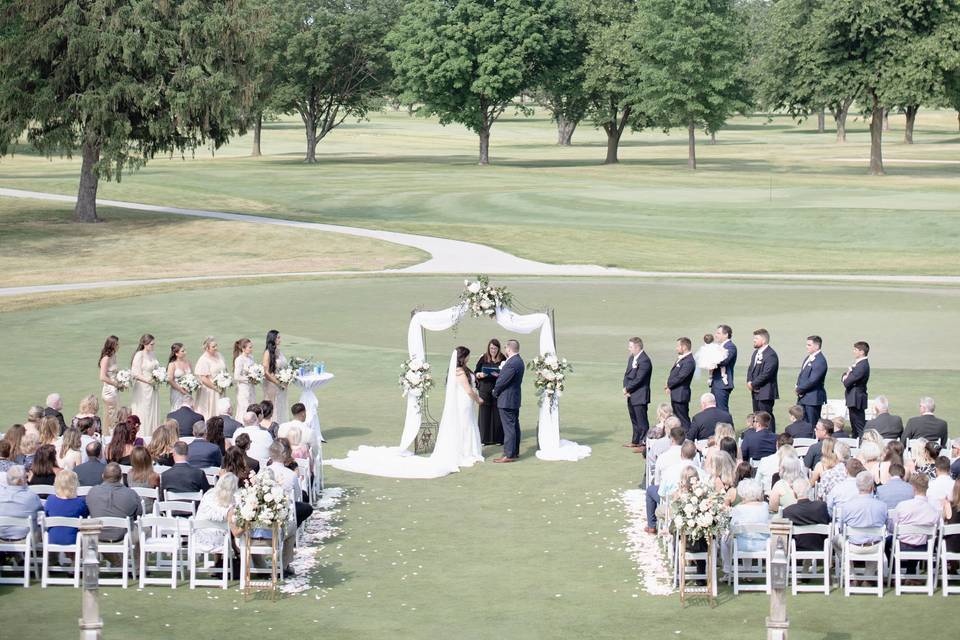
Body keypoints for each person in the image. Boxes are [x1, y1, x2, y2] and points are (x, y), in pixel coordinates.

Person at [429, 346, 484, 471]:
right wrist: (478, 399)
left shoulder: (462, 369)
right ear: (463, 357)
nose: (469, 358)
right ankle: (465, 452)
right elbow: (468, 390)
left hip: (467, 402)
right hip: (464, 401)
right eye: (468, 355)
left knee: (468, 423)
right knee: (465, 425)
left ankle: (470, 450)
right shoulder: (459, 371)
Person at [646, 441, 705, 533]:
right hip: (695, 508)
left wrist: (671, 500)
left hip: (674, 506)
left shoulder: (670, 471)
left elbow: (661, 493)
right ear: (695, 454)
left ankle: (651, 526)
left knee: (650, 490)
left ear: (681, 454)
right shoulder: (702, 473)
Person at [889, 474, 940, 572]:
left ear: (913, 488)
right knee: (918, 540)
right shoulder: (933, 511)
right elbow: (935, 531)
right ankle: (910, 573)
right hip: (923, 547)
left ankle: (895, 571)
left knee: (888, 542)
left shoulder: (902, 506)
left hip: (902, 545)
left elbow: (892, 528)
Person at [86, 462, 142, 542]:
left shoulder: (92, 492)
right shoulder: (131, 494)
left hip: (98, 535)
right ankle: (137, 555)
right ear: (121, 477)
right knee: (143, 530)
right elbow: (139, 514)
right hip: (123, 536)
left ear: (102, 476)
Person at [492, 339, 524, 463]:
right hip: (514, 398)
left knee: (509, 428)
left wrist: (495, 391)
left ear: (509, 349)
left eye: (506, 348)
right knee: (514, 426)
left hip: (507, 400)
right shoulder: (519, 361)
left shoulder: (512, 363)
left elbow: (502, 381)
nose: (505, 350)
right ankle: (514, 451)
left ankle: (509, 454)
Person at [839, 472, 887, 548]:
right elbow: (886, 526)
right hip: (876, 547)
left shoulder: (847, 506)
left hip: (853, 547)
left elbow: (841, 528)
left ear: (857, 486)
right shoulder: (882, 506)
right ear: (872, 487)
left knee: (835, 540)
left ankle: (846, 559)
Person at [194, 472, 239, 552]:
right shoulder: (233, 502)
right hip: (220, 541)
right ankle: (238, 554)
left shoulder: (208, 495)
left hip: (199, 537)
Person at [782, 478, 830, 551]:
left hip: (797, 548)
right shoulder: (821, 506)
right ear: (809, 491)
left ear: (794, 494)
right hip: (820, 546)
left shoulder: (788, 512)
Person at [746, 328, 779, 432]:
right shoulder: (756, 353)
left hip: (766, 392)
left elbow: (767, 373)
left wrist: (754, 384)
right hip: (755, 392)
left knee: (766, 417)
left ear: (763, 340)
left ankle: (770, 437)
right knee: (757, 416)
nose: (754, 340)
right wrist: (749, 381)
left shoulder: (771, 355)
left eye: (756, 338)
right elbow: (751, 369)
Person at [622, 336, 652, 452]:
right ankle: (635, 441)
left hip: (640, 395)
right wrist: (626, 388)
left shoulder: (645, 361)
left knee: (642, 421)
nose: (629, 349)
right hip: (631, 395)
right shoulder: (631, 358)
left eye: (630, 347)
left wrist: (628, 388)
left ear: (637, 347)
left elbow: (639, 378)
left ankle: (644, 443)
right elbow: (627, 374)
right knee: (634, 420)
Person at [474, 338, 506, 445]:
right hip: (484, 389)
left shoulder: (502, 358)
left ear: (498, 349)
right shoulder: (483, 358)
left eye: (495, 348)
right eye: (491, 348)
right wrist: (480, 375)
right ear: (488, 348)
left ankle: (498, 438)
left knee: (497, 413)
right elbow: (476, 372)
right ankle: (484, 439)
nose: (493, 350)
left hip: (497, 389)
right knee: (484, 414)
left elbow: (506, 374)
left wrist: (499, 375)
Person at [44, 469, 89, 545]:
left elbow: (47, 515)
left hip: (52, 538)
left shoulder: (50, 500)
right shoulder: (80, 502)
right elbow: (85, 517)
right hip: (73, 540)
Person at [129, 333, 161, 437]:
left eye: (153, 344)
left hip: (153, 388)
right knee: (144, 412)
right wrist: (148, 381)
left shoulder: (152, 354)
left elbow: (156, 369)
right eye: (151, 344)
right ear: (145, 344)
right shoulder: (139, 355)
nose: (153, 346)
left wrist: (159, 377)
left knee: (152, 411)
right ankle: (143, 435)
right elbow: (135, 373)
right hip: (143, 388)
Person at [0, 466, 43, 541]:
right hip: (25, 538)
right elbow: (41, 511)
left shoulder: (1, 495)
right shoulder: (31, 496)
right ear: (23, 480)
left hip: (2, 537)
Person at [729, 479, 771, 552]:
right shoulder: (765, 506)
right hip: (764, 544)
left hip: (742, 545)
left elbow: (732, 526)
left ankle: (726, 563)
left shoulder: (738, 508)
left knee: (724, 539)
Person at [795, 335, 828, 427]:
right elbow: (802, 374)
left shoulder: (820, 361)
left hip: (813, 399)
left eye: (809, 345)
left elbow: (813, 380)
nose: (807, 347)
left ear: (817, 346)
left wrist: (800, 389)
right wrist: (797, 386)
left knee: (812, 424)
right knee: (802, 423)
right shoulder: (808, 358)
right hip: (803, 397)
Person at [665, 337, 695, 430]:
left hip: (681, 395)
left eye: (678, 346)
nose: (676, 348)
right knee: (678, 418)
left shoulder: (689, 361)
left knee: (683, 419)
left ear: (684, 347)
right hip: (676, 394)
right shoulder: (682, 359)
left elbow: (681, 377)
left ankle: (689, 438)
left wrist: (669, 384)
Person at [841, 341, 870, 437]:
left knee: (858, 426)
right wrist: (847, 375)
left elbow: (847, 382)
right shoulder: (860, 365)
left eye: (855, 350)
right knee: (854, 426)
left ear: (862, 352)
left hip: (856, 399)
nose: (853, 351)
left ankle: (863, 445)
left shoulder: (862, 365)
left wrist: (847, 375)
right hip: (854, 399)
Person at [195, 336, 227, 420]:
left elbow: (224, 370)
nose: (216, 348)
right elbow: (203, 378)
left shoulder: (219, 355)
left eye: (216, 345)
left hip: (221, 388)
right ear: (207, 348)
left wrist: (226, 381)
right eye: (213, 347)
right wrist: (215, 388)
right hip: (209, 391)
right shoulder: (203, 360)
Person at [262, 329, 289, 423]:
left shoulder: (279, 351)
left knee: (281, 406)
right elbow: (266, 373)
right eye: (278, 337)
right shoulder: (267, 353)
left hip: (282, 384)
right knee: (274, 406)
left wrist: (287, 377)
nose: (280, 339)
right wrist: (278, 383)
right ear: (272, 338)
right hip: (272, 385)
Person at [709, 325, 737, 414]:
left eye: (718, 333)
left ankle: (728, 428)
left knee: (722, 410)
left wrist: (710, 360)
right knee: (716, 410)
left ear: (726, 335)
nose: (716, 335)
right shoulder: (720, 346)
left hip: (722, 384)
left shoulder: (730, 346)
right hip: (716, 383)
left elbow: (724, 361)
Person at [98, 335, 122, 434]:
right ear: (112, 345)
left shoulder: (114, 356)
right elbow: (102, 377)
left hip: (114, 390)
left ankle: (112, 433)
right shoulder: (106, 358)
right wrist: (115, 384)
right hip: (109, 390)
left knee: (114, 414)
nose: (118, 346)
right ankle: (111, 435)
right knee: (111, 415)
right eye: (117, 344)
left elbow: (114, 372)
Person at [233, 338, 259, 421]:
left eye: (251, 347)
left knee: (252, 405)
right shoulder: (239, 360)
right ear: (243, 349)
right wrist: (249, 378)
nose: (251, 349)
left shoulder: (251, 357)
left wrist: (256, 377)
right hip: (243, 388)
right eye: (249, 347)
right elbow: (236, 376)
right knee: (244, 407)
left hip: (251, 387)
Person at [127, 446, 160, 511]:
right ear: (148, 459)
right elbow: (158, 495)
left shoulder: (129, 474)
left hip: (135, 508)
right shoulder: (154, 476)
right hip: (150, 509)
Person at [166, 342, 195, 411]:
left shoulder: (188, 362)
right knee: (177, 410)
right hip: (177, 392)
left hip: (188, 392)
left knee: (189, 409)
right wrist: (181, 390)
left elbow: (193, 376)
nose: (185, 352)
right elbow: (170, 380)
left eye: (185, 350)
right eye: (183, 351)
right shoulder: (172, 364)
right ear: (176, 353)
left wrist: (192, 386)